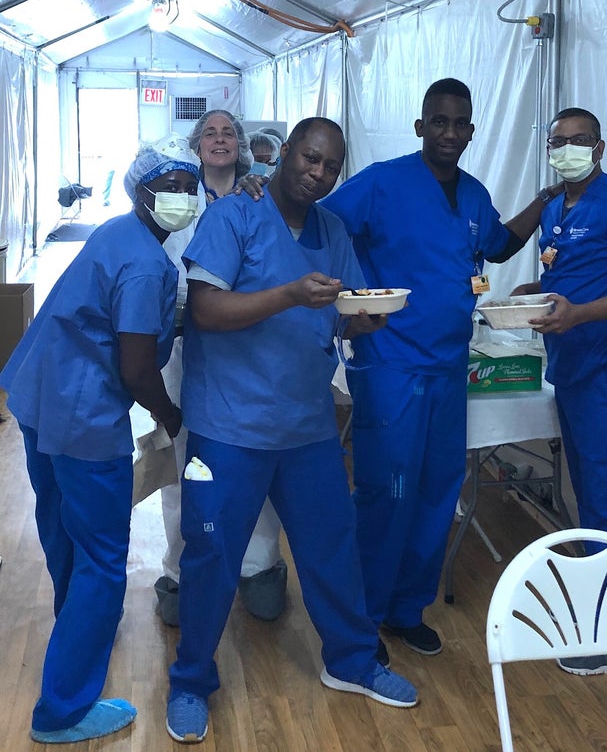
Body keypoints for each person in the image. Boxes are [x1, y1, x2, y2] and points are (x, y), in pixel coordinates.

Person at [165, 117, 418, 744]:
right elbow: (204, 310)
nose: (319, 174)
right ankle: (192, 680)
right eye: (310, 159)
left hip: (304, 424)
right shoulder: (234, 217)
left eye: (331, 167)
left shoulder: (332, 231)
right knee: (212, 555)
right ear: (281, 156)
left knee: (331, 547)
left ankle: (352, 661)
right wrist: (287, 296)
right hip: (231, 422)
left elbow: (339, 311)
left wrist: (360, 320)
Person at [320, 78, 563, 664]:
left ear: (472, 131)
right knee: (387, 493)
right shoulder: (382, 183)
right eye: (440, 122)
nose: (450, 133)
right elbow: (319, 223)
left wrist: (548, 198)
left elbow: (501, 245)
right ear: (421, 126)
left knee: (435, 493)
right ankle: (365, 617)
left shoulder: (474, 194)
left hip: (450, 367)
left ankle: (408, 610)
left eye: (461, 124)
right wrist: (347, 301)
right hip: (391, 363)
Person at [0, 134, 200, 743]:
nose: (182, 198)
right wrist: (174, 419)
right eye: (168, 188)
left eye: (190, 189)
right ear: (140, 190)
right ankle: (61, 710)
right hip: (85, 420)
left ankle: (76, 628)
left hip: (38, 396)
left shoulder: (119, 232)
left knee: (63, 530)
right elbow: (138, 369)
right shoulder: (146, 262)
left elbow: (110, 312)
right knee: (104, 560)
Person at [511, 106, 607, 677]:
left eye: (580, 141)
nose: (568, 149)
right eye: (559, 141)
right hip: (573, 369)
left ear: (600, 148)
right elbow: (568, 276)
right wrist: (537, 291)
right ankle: (599, 608)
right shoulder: (556, 206)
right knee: (589, 493)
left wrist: (580, 315)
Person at [154, 109, 288, 626]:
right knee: (182, 461)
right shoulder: (175, 198)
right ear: (195, 143)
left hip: (246, 348)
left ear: (243, 145)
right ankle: (180, 572)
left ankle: (259, 566)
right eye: (209, 132)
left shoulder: (261, 195)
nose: (219, 139)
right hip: (185, 348)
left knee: (256, 456)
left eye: (228, 132)